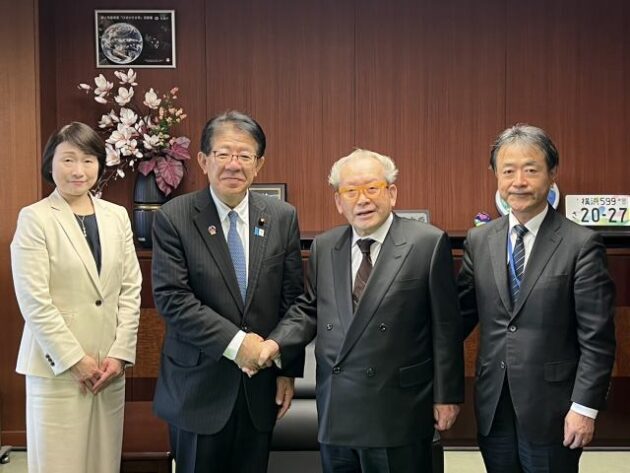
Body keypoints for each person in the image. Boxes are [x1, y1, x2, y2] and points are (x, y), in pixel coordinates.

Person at [258, 149, 464, 473]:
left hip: (398, 407)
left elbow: (446, 327)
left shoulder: (427, 242)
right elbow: (309, 309)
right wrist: (275, 343)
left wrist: (447, 395)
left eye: (372, 188)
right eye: (351, 191)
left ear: (391, 193)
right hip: (338, 408)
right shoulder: (326, 246)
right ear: (338, 202)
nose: (362, 199)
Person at [457, 124, 616, 473]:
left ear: (552, 173)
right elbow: (457, 319)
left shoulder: (581, 244)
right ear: (495, 176)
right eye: (508, 171)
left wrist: (584, 408)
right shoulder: (479, 241)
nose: (519, 182)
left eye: (531, 170)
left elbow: (597, 339)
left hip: (555, 409)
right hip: (494, 405)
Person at [151, 111, 304, 472]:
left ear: (258, 164)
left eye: (244, 155)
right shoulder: (174, 217)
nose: (234, 164)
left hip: (259, 387)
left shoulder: (282, 216)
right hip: (196, 389)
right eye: (223, 153)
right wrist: (239, 345)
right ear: (204, 160)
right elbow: (173, 299)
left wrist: (287, 370)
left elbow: (294, 299)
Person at [11, 122, 142, 473]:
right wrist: (73, 359)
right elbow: (34, 300)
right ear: (50, 163)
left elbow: (130, 289)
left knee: (104, 463)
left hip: (108, 369)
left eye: (87, 160)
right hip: (58, 368)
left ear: (99, 164)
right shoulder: (35, 218)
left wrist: (120, 354)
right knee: (59, 464)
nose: (78, 170)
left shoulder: (116, 217)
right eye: (68, 160)